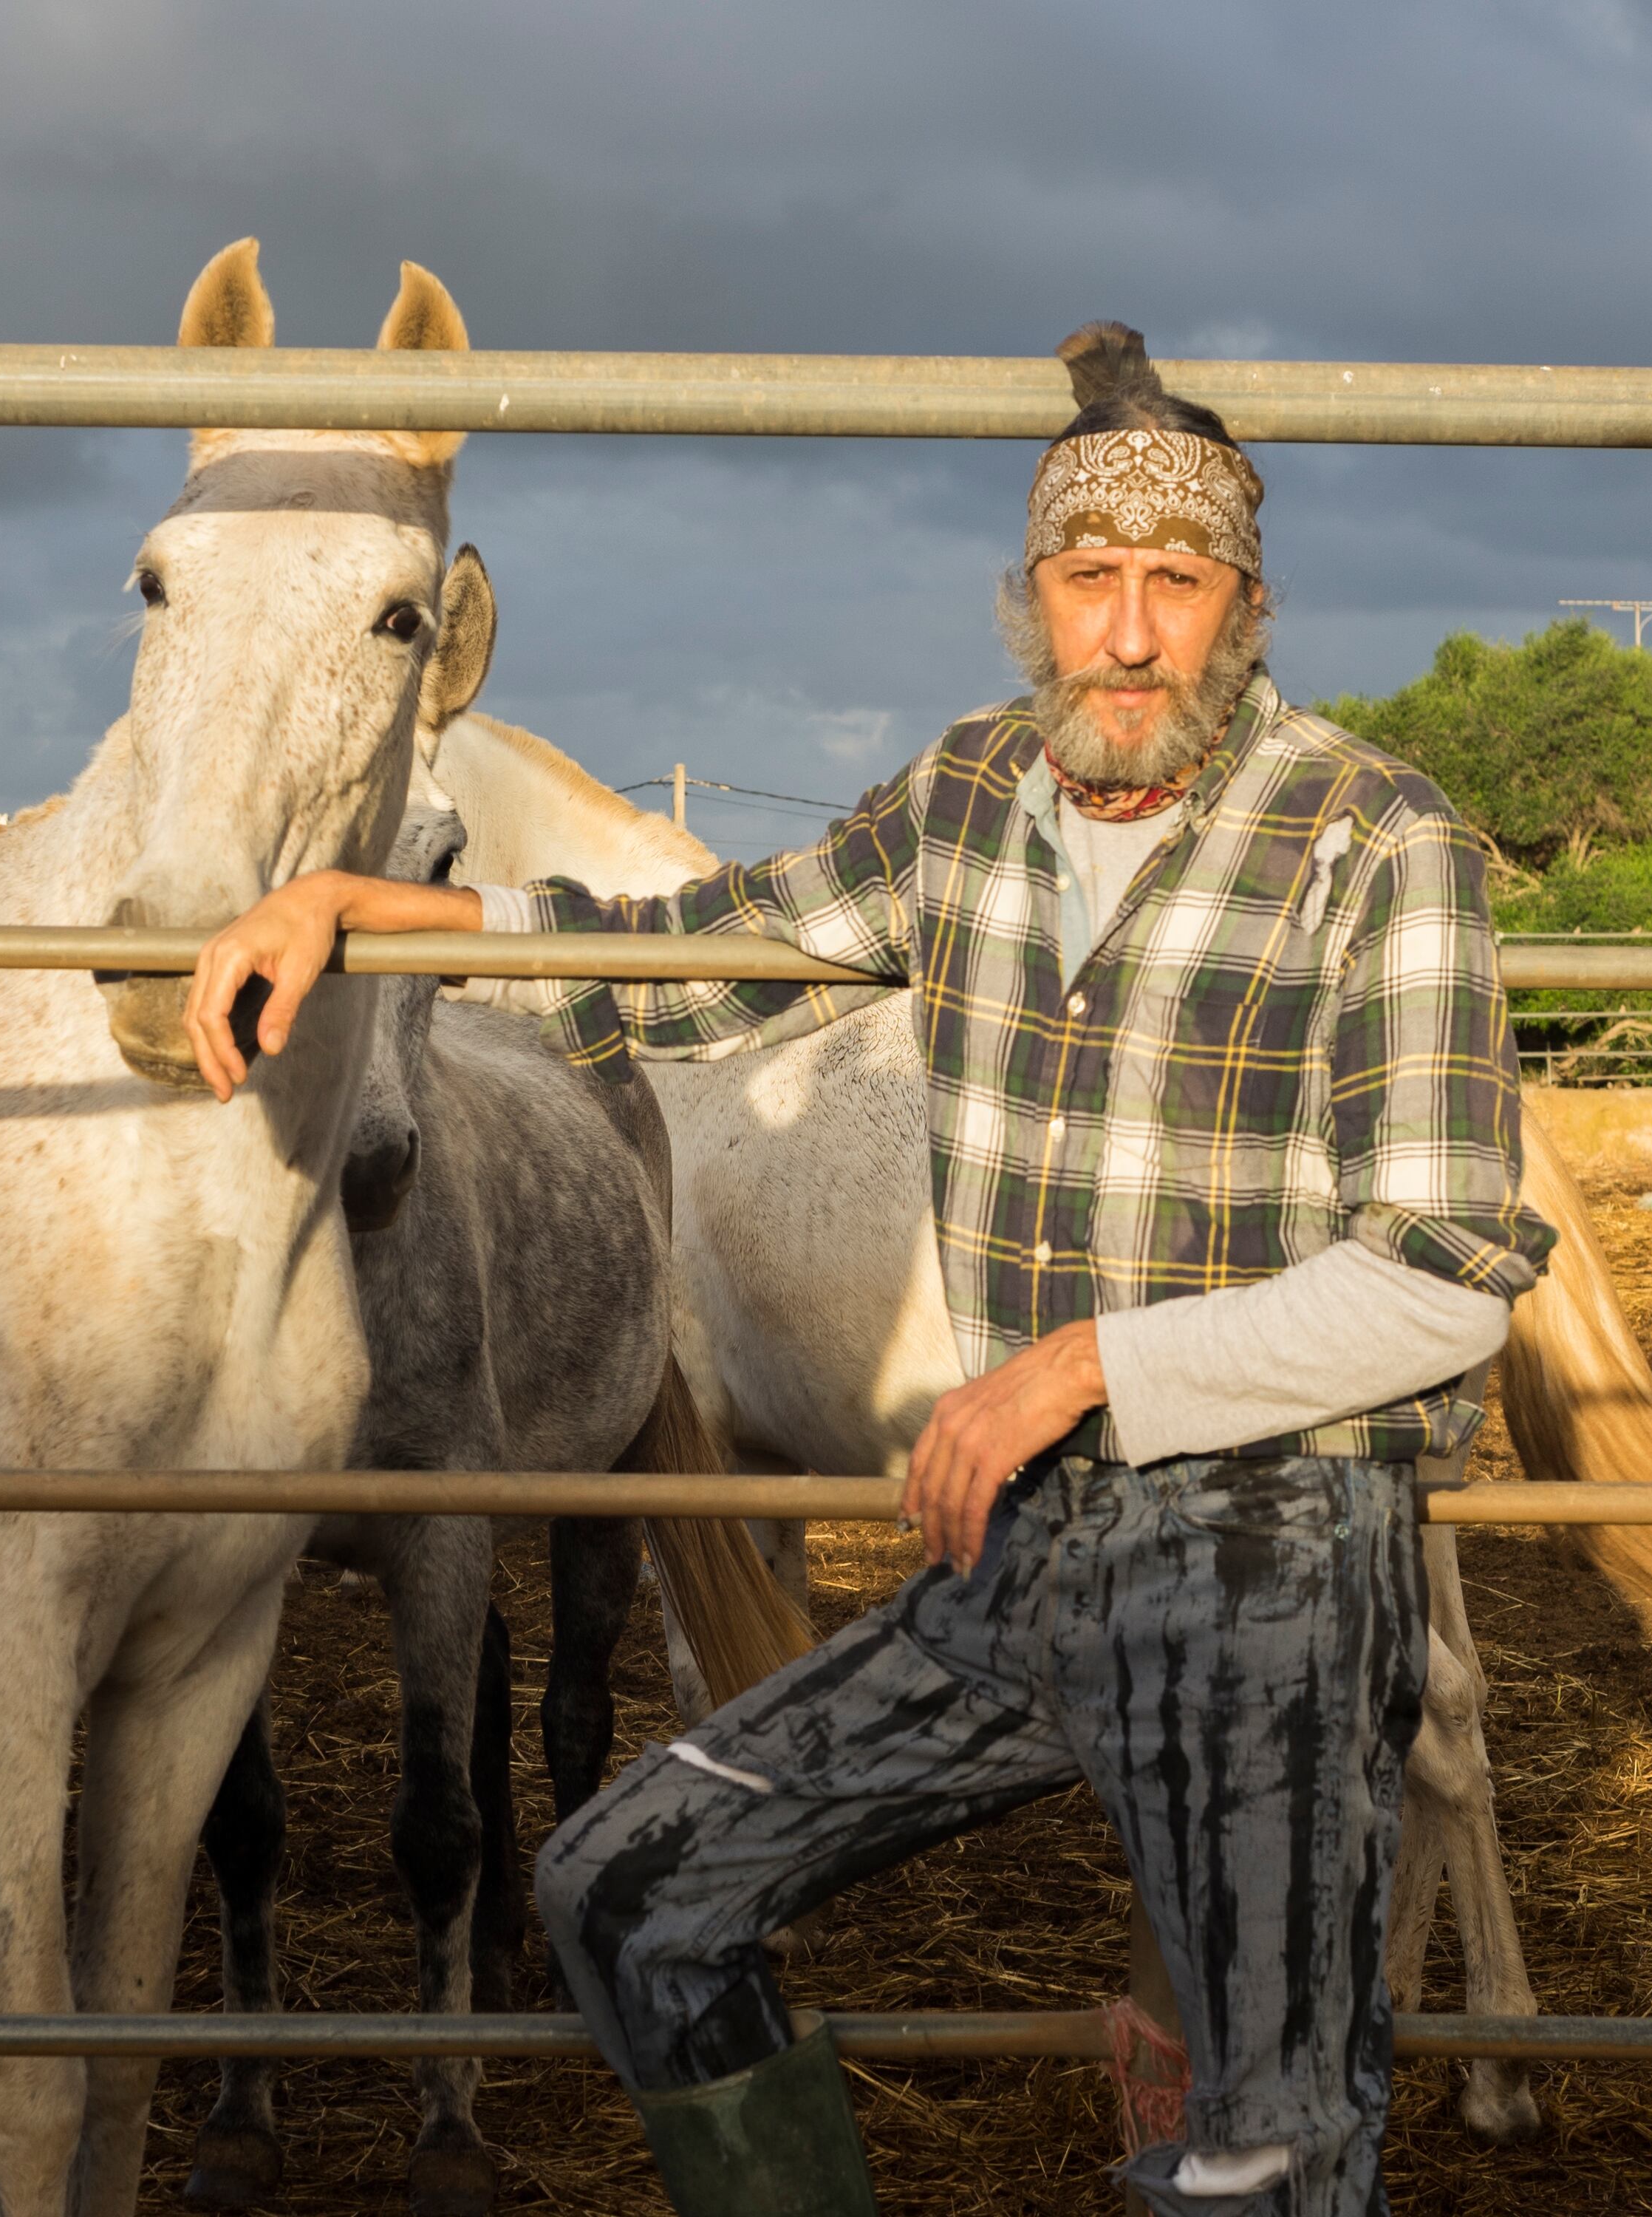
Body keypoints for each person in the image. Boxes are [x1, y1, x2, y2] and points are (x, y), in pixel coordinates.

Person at [180, 322, 1554, 2217]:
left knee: (1266, 2149)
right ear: (1032, 601)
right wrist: (373, 912)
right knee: (627, 1891)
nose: (1131, 635)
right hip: (1021, 1558)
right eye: (1090, 583)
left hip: (1274, 1561)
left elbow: (1443, 1275)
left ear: (1246, 606)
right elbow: (701, 945)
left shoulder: (1372, 840)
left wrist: (1075, 1372)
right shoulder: (970, 794)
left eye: (1177, 585)